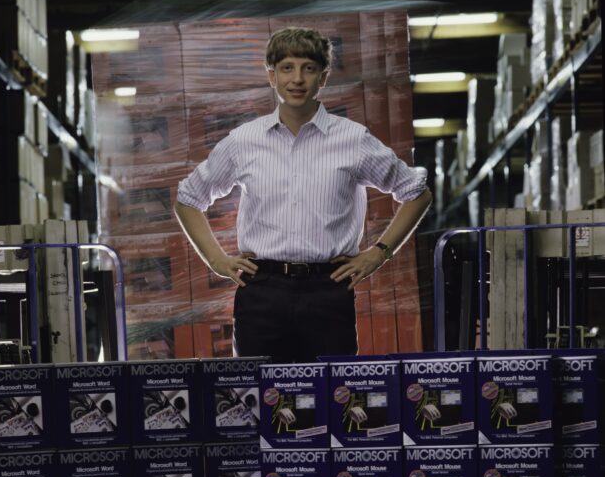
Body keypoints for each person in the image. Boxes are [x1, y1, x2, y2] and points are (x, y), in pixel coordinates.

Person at [175, 26, 432, 363]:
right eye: (287, 67)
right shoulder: (243, 141)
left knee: (333, 398)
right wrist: (216, 260)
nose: (297, 79)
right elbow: (188, 198)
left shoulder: (353, 140)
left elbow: (417, 193)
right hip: (261, 291)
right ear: (271, 76)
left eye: (308, 68)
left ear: (322, 78)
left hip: (327, 291)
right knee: (261, 400)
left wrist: (379, 253)